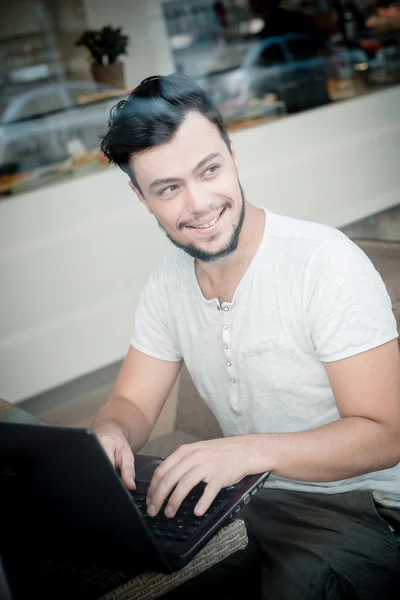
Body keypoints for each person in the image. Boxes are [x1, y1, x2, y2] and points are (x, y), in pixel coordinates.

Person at [94, 73, 400, 599]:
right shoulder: (167, 283)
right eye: (168, 188)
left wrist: (245, 452)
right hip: (244, 503)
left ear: (233, 154)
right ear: (140, 196)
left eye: (208, 170)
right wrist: (111, 434)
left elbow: (386, 435)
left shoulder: (323, 263)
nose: (198, 204)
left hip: (360, 508)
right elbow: (130, 402)